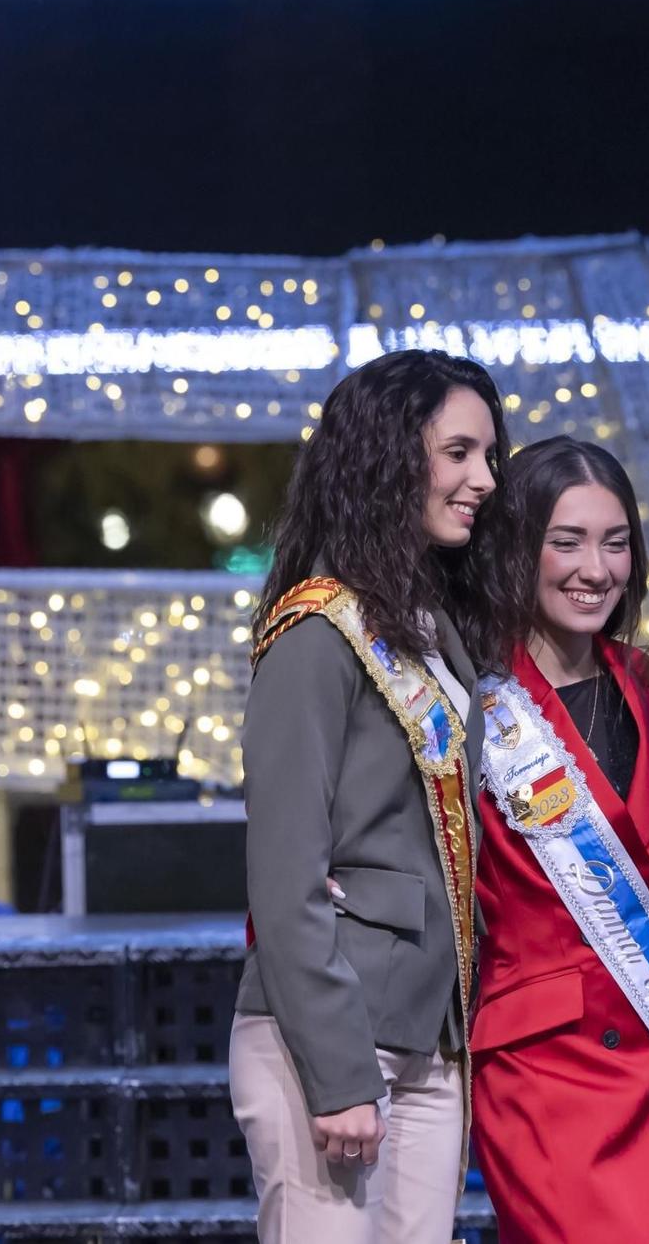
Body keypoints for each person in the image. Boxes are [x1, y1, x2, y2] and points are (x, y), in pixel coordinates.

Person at [230, 349, 517, 1244]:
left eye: (489, 456)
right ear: (390, 456)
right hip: (335, 1035)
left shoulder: (426, 627)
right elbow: (285, 875)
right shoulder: (317, 631)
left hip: (431, 1036)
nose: (485, 479)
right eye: (460, 452)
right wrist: (341, 1071)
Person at [468, 437, 649, 1244]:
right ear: (516, 547)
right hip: (546, 1073)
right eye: (567, 541)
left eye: (615, 543)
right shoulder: (475, 705)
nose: (595, 568)